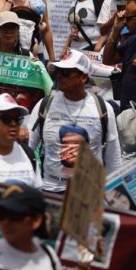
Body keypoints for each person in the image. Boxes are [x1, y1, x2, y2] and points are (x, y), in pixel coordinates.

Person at [27, 50, 121, 192]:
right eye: (57, 71)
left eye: (65, 73)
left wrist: (111, 192)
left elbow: (113, 157)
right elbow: (27, 149)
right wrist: (37, 185)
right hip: (50, 191)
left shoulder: (103, 109)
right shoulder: (44, 105)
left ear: (83, 77)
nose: (59, 77)